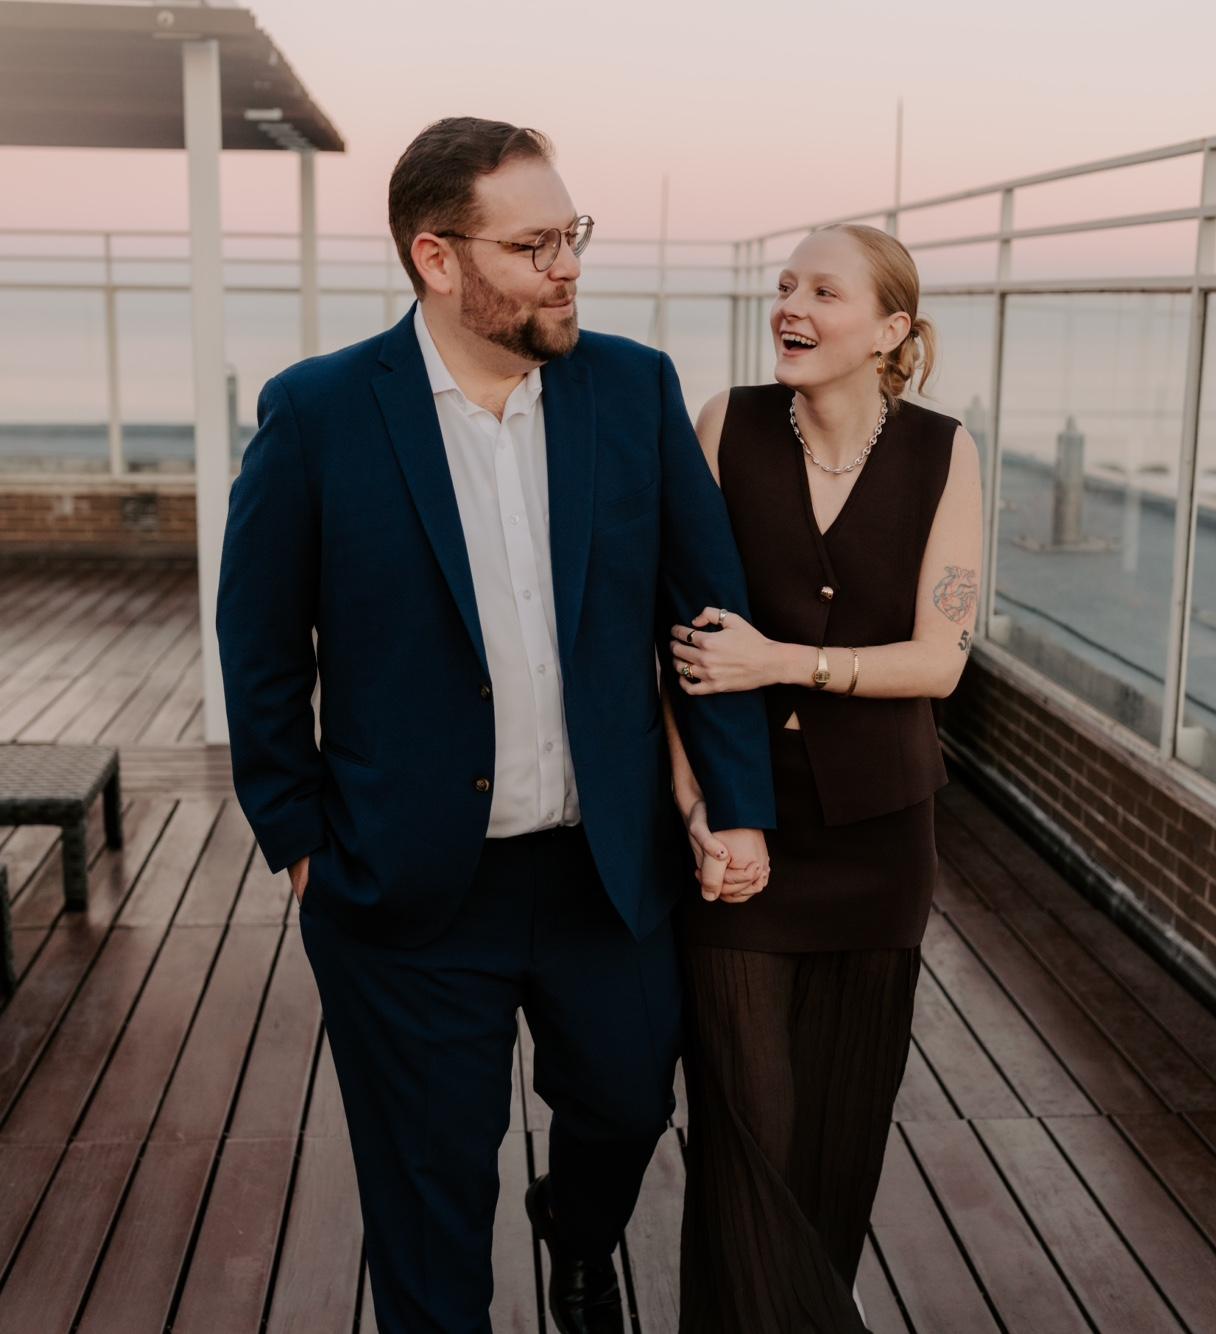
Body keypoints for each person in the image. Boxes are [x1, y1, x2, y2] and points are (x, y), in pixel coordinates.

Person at [215, 116, 775, 1334]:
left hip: (603, 869)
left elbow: (705, 610)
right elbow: (258, 649)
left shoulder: (632, 388)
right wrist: (301, 838)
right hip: (402, 888)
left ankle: (577, 1231)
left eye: (571, 234)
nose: (568, 264)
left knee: (628, 1103)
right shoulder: (317, 415)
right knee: (428, 1192)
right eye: (533, 245)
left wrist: (733, 804)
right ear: (436, 256)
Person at [662, 223, 983, 1332]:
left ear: (889, 329)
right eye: (784, 284)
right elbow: (675, 645)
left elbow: (939, 660)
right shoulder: (726, 424)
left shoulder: (946, 451)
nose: (789, 304)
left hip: (878, 844)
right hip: (740, 834)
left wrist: (785, 661)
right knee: (744, 1139)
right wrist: (699, 809)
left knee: (835, 1156)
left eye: (822, 291)